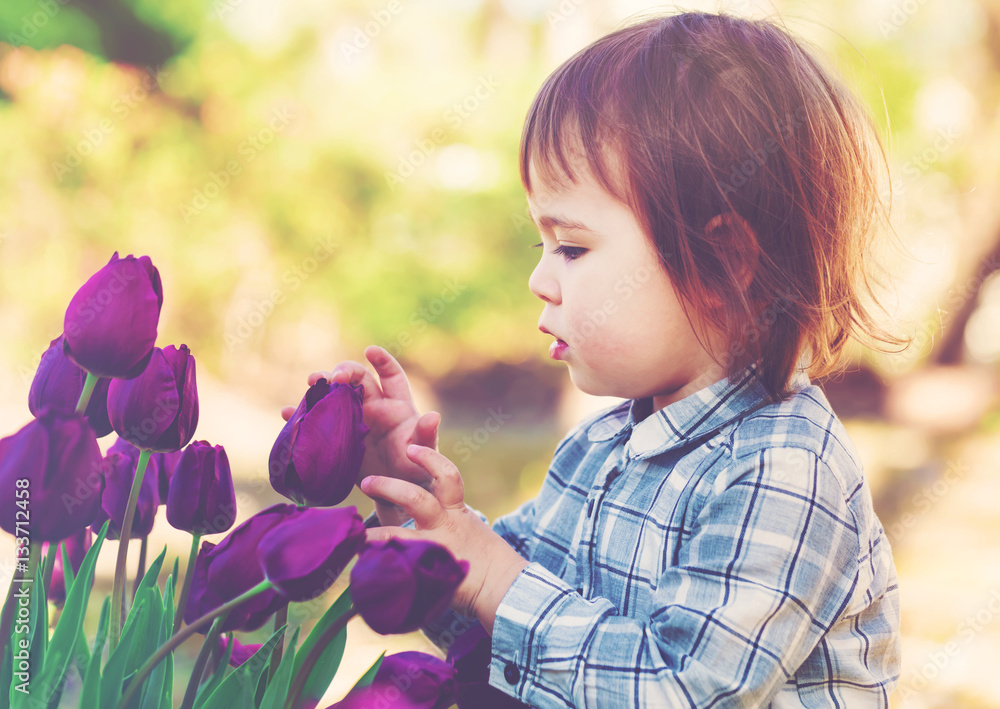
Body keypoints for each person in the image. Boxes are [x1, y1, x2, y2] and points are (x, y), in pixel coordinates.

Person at [285, 11, 903, 707]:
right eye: (541, 245)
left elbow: (681, 688)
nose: (539, 280)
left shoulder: (785, 471)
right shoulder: (602, 448)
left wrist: (491, 576)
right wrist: (416, 508)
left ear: (721, 261)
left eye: (572, 247)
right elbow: (499, 628)